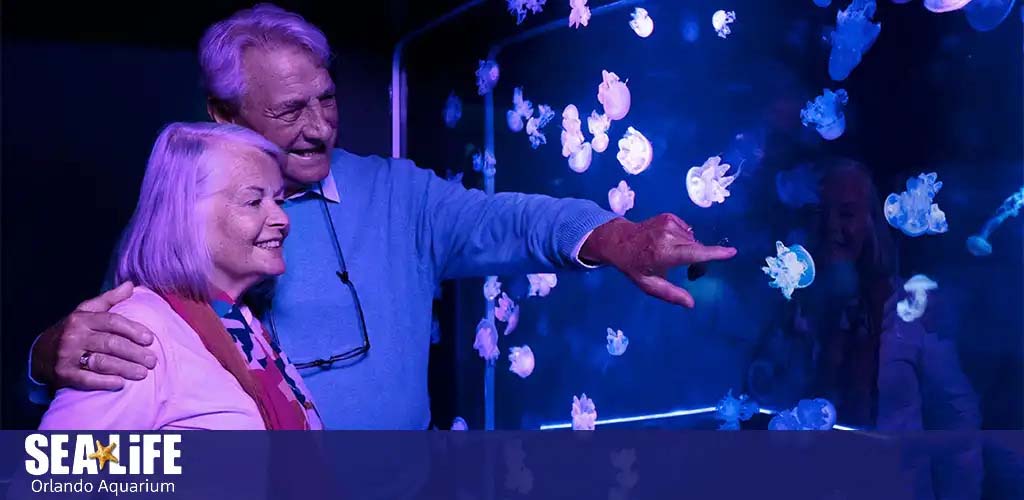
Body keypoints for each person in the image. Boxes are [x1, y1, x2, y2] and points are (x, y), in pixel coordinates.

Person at [28, 4, 736, 430]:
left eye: (327, 100)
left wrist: (617, 238)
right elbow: (87, 426)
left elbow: (512, 221)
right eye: (287, 111)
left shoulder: (399, 193)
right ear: (221, 116)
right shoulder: (169, 236)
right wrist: (43, 360)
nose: (318, 129)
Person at [38, 122, 320, 430]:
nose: (282, 219)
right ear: (186, 214)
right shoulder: (140, 330)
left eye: (278, 201)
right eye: (254, 201)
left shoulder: (243, 324)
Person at [748, 158, 981, 497]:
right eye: (820, 213)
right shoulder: (795, 312)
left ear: (873, 220)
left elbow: (959, 423)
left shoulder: (916, 308)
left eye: (846, 214)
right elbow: (766, 400)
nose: (831, 227)